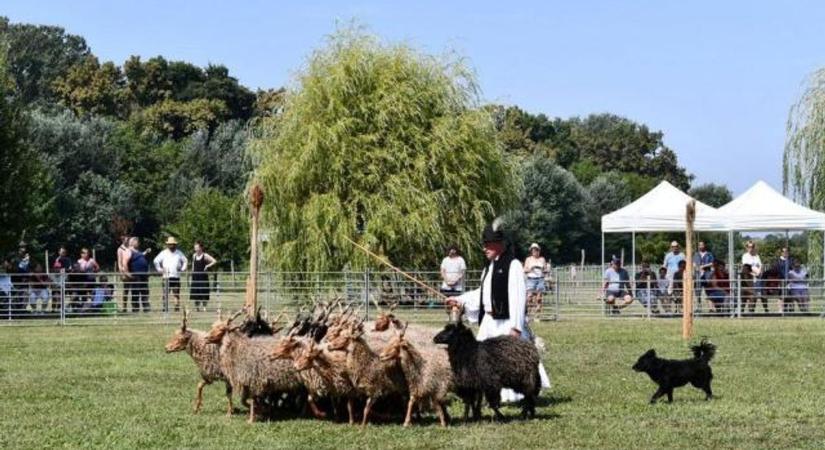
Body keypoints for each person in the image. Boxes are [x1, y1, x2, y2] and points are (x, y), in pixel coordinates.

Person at [445, 218, 551, 402]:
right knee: (483, 362)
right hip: (489, 322)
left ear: (499, 244)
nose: (484, 248)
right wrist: (460, 299)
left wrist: (516, 327)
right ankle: (488, 394)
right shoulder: (488, 268)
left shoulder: (513, 265)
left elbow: (518, 297)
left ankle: (518, 394)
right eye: (484, 244)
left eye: (488, 244)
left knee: (509, 361)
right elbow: (483, 294)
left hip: (506, 322)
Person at [154, 237, 188, 312]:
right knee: (165, 293)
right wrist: (160, 269)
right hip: (166, 276)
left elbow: (185, 261)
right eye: (170, 244)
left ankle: (176, 308)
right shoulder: (163, 253)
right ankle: (165, 308)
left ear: (175, 245)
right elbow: (156, 261)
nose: (171, 246)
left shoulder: (179, 253)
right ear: (167, 245)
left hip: (176, 276)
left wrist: (182, 269)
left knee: (176, 293)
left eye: (173, 244)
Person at [126, 237, 151, 313]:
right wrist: (127, 273)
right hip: (136, 275)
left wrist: (146, 252)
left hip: (143, 275)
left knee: (145, 292)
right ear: (132, 243)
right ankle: (135, 308)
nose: (138, 243)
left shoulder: (138, 251)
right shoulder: (129, 251)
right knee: (135, 292)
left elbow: (140, 255)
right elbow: (125, 262)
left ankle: (146, 307)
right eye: (137, 242)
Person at [190, 241, 217, 312]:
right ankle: (197, 307)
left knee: (204, 291)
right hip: (195, 276)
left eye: (197, 247)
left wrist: (207, 266)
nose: (195, 249)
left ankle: (204, 307)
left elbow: (214, 261)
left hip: (203, 276)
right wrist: (192, 272)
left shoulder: (205, 255)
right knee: (196, 292)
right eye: (195, 247)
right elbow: (193, 264)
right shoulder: (194, 255)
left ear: (201, 248)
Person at [741, 241, 766, 313]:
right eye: (749, 247)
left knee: (757, 295)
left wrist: (760, 272)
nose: (750, 248)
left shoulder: (757, 256)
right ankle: (742, 312)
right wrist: (754, 274)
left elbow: (760, 265)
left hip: (758, 278)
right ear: (746, 248)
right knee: (748, 296)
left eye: (752, 247)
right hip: (748, 279)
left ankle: (753, 312)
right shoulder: (745, 256)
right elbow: (746, 267)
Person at [523, 243, 547, 316]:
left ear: (538, 251)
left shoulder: (542, 259)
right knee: (529, 297)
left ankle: (537, 315)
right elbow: (524, 270)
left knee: (539, 298)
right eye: (533, 250)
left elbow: (546, 269)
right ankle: (528, 314)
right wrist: (530, 269)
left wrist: (543, 270)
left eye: (536, 250)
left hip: (540, 279)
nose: (535, 252)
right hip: (531, 279)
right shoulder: (528, 259)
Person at [117, 235, 131, 312]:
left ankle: (134, 306)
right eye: (125, 240)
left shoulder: (129, 248)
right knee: (126, 290)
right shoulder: (120, 249)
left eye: (128, 240)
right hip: (124, 271)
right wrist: (121, 272)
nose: (127, 241)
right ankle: (124, 307)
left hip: (131, 271)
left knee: (134, 290)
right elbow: (119, 262)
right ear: (122, 240)